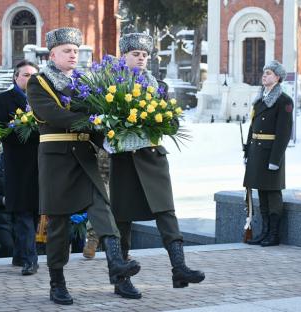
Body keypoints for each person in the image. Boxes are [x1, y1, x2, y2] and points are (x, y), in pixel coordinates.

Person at [27, 27, 141, 305]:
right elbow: (51, 114)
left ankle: (117, 266)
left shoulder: (84, 83)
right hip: (56, 157)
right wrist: (90, 120)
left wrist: (112, 136)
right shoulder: (39, 82)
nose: (73, 54)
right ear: (52, 54)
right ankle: (57, 282)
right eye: (67, 50)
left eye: (76, 50)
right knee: (59, 223)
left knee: (103, 209)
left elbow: (96, 115)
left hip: (84, 154)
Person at [108, 33, 205, 298]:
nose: (141, 58)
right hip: (124, 160)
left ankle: (179, 268)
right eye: (135, 54)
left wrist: (158, 120)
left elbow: (172, 122)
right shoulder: (110, 84)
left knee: (166, 213)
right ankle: (121, 278)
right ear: (124, 56)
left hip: (152, 157)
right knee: (122, 220)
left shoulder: (158, 84)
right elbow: (102, 122)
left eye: (144, 55)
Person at [0, 60, 40, 275]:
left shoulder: (43, 99)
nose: (31, 80)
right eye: (26, 75)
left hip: (40, 163)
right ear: (15, 77)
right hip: (17, 164)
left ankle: (20, 255)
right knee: (23, 212)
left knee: (35, 212)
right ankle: (31, 259)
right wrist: (21, 127)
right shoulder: (2, 100)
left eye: (34, 76)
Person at [244, 60, 293, 247]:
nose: (264, 75)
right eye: (264, 72)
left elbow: (284, 134)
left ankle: (273, 235)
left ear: (278, 78)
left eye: (269, 73)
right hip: (257, 152)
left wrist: (275, 159)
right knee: (261, 193)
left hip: (271, 153)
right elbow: (252, 127)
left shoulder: (284, 101)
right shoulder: (260, 99)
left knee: (273, 194)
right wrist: (247, 150)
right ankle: (264, 232)